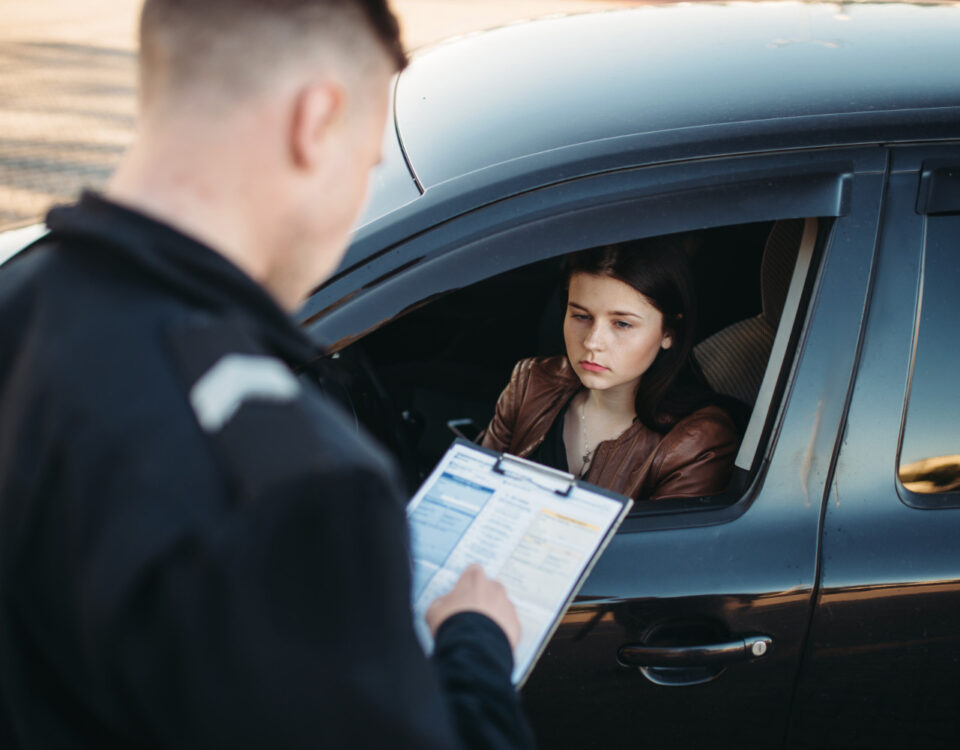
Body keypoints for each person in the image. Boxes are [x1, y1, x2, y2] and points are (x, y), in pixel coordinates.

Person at [0, 1, 533, 748]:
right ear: (316, 120)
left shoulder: (18, 302)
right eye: (368, 165)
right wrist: (474, 649)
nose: (356, 204)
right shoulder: (302, 486)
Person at [480, 237, 739, 502]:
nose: (592, 342)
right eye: (581, 316)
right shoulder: (532, 382)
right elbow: (472, 492)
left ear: (669, 332)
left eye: (622, 324)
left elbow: (658, 544)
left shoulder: (696, 443)